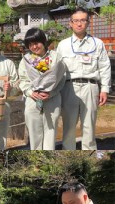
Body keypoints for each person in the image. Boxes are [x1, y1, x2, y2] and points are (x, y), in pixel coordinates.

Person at [57, 7, 111, 150]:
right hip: (69, 88)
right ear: (70, 23)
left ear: (88, 22)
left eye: (83, 20)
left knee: (89, 125)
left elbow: (104, 67)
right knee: (69, 125)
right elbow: (56, 70)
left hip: (90, 87)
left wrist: (104, 89)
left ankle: (89, 150)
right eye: (76, 21)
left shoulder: (97, 43)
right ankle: (68, 153)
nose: (79, 24)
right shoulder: (63, 45)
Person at [18, 28, 66, 150]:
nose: (34, 47)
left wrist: (52, 92)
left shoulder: (56, 58)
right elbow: (23, 80)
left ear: (44, 42)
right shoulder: (26, 59)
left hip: (52, 99)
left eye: (37, 43)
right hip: (32, 100)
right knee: (34, 134)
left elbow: (61, 80)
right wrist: (30, 92)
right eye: (30, 44)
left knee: (51, 132)